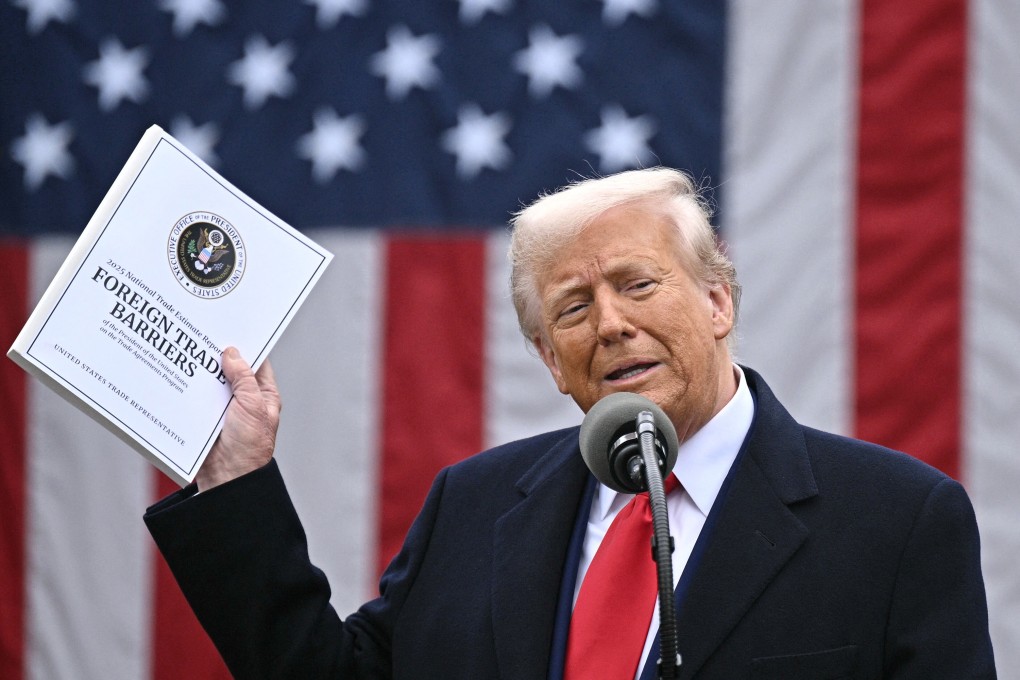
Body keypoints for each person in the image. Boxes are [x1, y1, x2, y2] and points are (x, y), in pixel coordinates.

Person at [145, 168, 997, 679]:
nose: (612, 324)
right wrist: (236, 479)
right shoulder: (473, 508)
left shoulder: (894, 521)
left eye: (638, 283)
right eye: (574, 307)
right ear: (553, 360)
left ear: (717, 301)